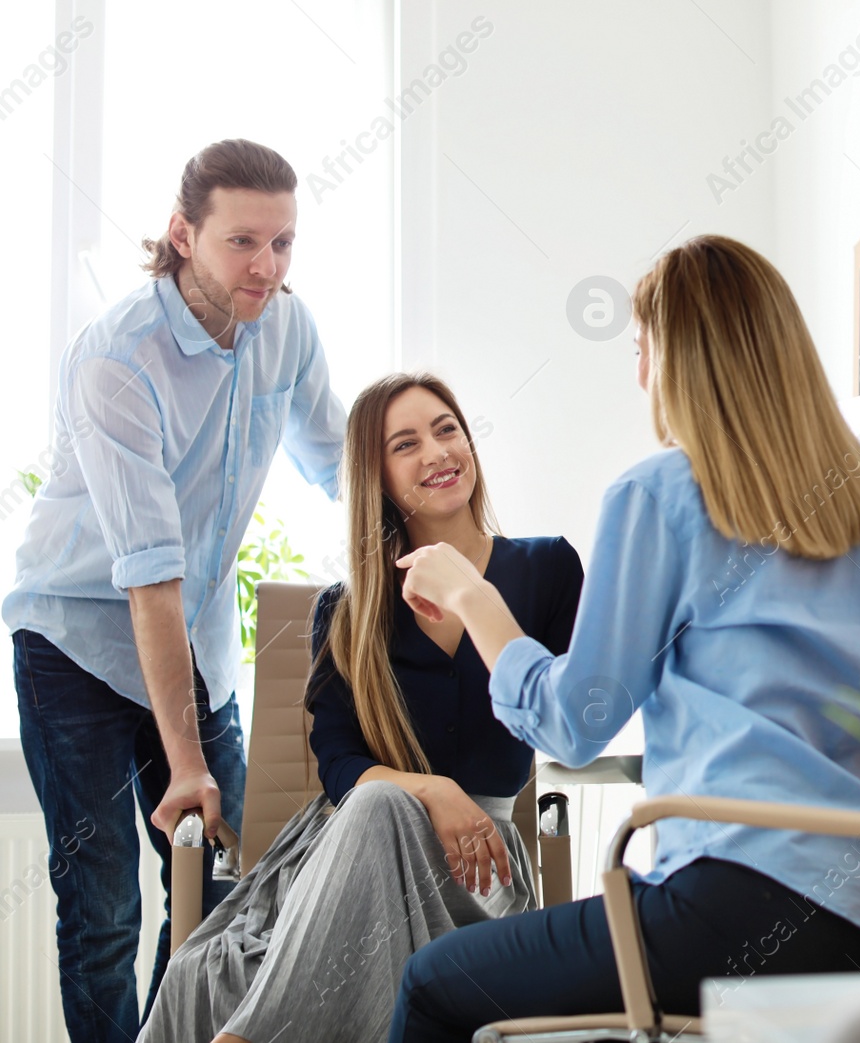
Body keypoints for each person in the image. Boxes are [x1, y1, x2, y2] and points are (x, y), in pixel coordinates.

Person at [387, 235, 860, 1042]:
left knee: (433, 982)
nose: (641, 376)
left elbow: (576, 722)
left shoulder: (662, 492)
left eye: (644, 351)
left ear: (681, 359)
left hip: (742, 903)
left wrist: (474, 598)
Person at [5, 139, 348, 1040]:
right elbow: (148, 576)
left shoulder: (287, 326)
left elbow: (341, 465)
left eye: (283, 243)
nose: (266, 267)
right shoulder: (119, 358)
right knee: (106, 905)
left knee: (224, 888)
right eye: (243, 241)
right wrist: (185, 761)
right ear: (182, 234)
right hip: (75, 637)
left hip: (193, 639)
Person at [139, 372, 584, 1043]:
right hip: (340, 857)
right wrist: (429, 789)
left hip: (475, 868)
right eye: (406, 444)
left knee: (379, 806)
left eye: (446, 429)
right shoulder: (346, 612)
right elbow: (343, 765)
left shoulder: (546, 570)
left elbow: (568, 714)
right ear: (377, 476)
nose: (436, 452)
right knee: (204, 970)